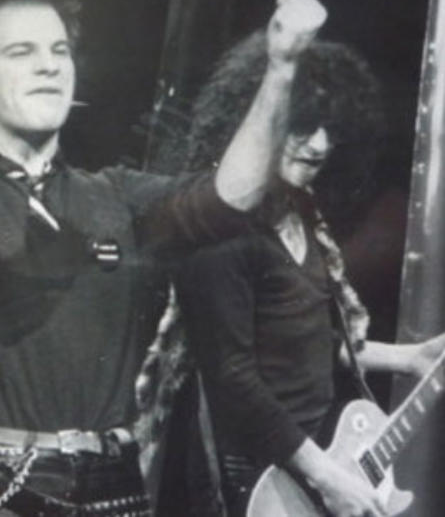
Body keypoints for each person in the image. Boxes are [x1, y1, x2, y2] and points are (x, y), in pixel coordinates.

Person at [0, 0, 327, 516]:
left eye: (60, 50)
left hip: (114, 490)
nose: (49, 65)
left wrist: (281, 67)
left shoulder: (117, 195)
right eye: (22, 51)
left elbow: (233, 196)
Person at [176, 32, 445, 517]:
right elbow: (232, 380)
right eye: (303, 125)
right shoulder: (222, 232)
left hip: (312, 468)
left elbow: (310, 342)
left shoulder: (303, 216)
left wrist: (410, 359)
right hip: (254, 480)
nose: (320, 145)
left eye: (331, 130)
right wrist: (326, 477)